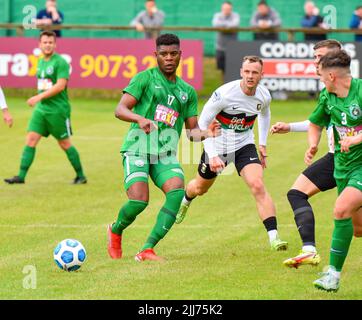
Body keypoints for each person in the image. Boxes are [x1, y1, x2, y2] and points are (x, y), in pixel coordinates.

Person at [107, 33, 220, 262]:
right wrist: (139, 119)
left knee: (177, 191)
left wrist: (208, 133)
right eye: (163, 54)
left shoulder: (186, 91)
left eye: (173, 54)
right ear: (155, 55)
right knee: (139, 201)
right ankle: (116, 229)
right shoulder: (144, 79)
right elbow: (120, 109)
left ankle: (147, 249)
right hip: (137, 147)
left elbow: (191, 133)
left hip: (164, 154)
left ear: (180, 56)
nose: (168, 58)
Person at [175, 55, 288, 251]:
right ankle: (186, 200)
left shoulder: (264, 95)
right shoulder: (224, 94)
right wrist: (212, 155)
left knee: (257, 184)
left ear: (262, 75)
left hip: (244, 145)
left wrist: (262, 144)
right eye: (247, 72)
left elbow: (264, 113)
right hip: (217, 145)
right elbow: (202, 125)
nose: (250, 76)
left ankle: (274, 237)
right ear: (241, 72)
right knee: (200, 188)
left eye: (255, 72)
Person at [270, 39, 362, 268]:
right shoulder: (327, 92)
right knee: (297, 193)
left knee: (352, 222)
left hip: (356, 159)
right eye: (314, 57)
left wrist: (356, 139)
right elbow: (316, 122)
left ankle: (330, 268)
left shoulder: (353, 88)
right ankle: (309, 249)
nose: (315, 62)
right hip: (337, 158)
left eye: (319, 57)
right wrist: (299, 134)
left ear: (335, 59)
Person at [305, 50, 362, 292]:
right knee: (358, 229)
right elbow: (315, 122)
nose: (319, 80)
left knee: (340, 210)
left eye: (320, 76)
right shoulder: (327, 97)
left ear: (331, 76)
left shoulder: (360, 91)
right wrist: (313, 143)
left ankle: (333, 275)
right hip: (342, 167)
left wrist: (356, 139)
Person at [4, 31, 86, 185]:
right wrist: (40, 100)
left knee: (64, 143)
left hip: (58, 110)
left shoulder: (60, 62)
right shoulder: (41, 62)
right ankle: (21, 176)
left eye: (50, 42)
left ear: (55, 44)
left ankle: (81, 176)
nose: (47, 45)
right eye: (45, 42)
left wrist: (38, 97)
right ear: (39, 44)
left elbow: (61, 86)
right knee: (31, 139)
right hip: (41, 110)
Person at [212, 1, 240, 83]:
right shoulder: (217, 15)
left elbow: (234, 24)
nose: (226, 10)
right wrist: (228, 27)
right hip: (220, 47)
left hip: (233, 47)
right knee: (222, 69)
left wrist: (223, 27)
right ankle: (224, 86)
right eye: (225, 9)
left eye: (228, 9)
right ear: (222, 9)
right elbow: (215, 24)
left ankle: (233, 86)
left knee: (233, 68)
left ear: (231, 9)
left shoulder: (235, 15)